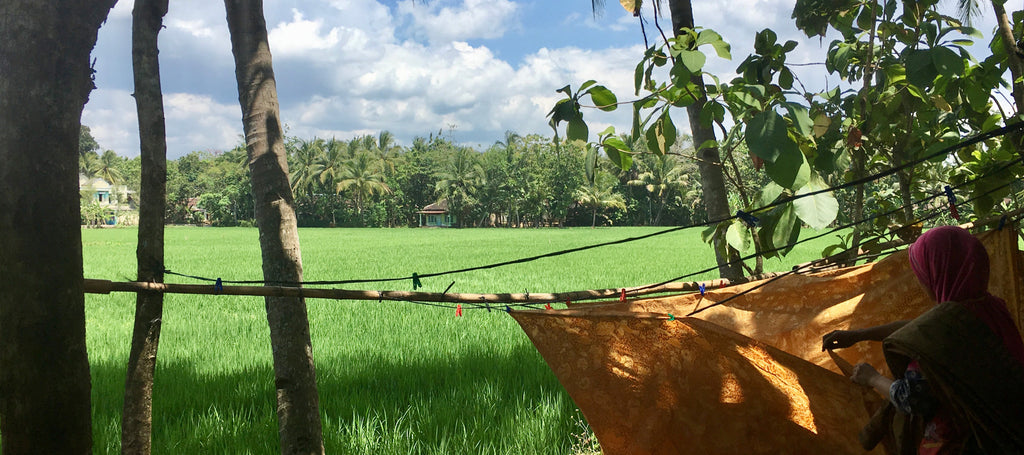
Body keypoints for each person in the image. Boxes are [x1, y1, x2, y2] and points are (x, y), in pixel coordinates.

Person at [821, 225, 1024, 454]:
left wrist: (873, 378)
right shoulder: (990, 307)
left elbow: (912, 399)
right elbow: (919, 328)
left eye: (922, 273)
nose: (921, 282)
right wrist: (859, 335)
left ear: (939, 272)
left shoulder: (944, 329)